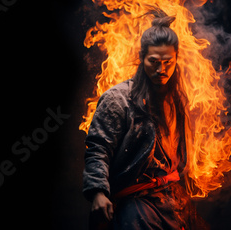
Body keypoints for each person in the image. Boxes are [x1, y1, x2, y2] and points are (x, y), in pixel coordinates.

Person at [83, 11, 208, 230]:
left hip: (172, 202)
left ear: (176, 58)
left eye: (168, 62)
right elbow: (97, 148)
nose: (161, 70)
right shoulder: (117, 99)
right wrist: (98, 192)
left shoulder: (176, 99)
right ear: (142, 59)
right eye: (154, 62)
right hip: (136, 205)